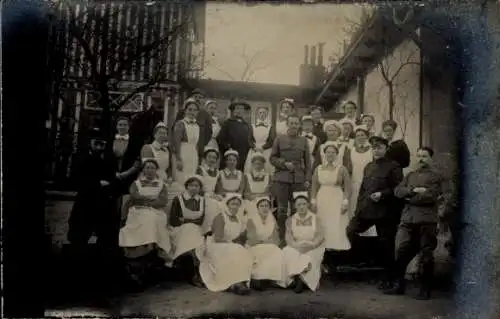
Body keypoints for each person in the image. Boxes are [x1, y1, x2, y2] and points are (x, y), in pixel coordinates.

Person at [384, 147, 447, 300]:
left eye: (424, 156)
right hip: (407, 220)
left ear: (431, 159)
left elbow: (431, 197)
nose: (420, 159)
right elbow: (398, 191)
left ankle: (424, 290)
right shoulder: (410, 175)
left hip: (427, 221)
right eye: (418, 156)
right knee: (401, 251)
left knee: (426, 255)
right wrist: (413, 190)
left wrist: (410, 197)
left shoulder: (437, 177)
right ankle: (399, 286)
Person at [345, 135, 403, 289]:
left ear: (386, 149)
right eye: (374, 148)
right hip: (368, 209)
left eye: (379, 148)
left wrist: (382, 194)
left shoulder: (394, 166)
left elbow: (398, 189)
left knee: (387, 245)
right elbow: (363, 190)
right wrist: (358, 210)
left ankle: (389, 278)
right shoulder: (369, 166)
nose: (376, 150)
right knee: (351, 230)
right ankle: (367, 257)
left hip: (386, 212)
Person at [118, 158, 172, 288]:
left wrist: (148, 201)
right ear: (143, 170)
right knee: (142, 220)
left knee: (153, 219)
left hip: (155, 211)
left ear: (156, 170)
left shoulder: (161, 184)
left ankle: (154, 248)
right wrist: (149, 199)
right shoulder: (136, 183)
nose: (150, 170)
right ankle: (139, 252)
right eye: (147, 167)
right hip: (137, 211)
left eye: (152, 168)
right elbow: (134, 196)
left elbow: (162, 201)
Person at [68, 128, 118, 252]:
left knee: (105, 237)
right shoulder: (81, 159)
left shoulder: (109, 161)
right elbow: (76, 180)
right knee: (79, 236)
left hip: (103, 201)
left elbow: (112, 180)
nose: (99, 146)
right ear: (90, 143)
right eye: (96, 143)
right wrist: (97, 183)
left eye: (102, 144)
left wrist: (109, 188)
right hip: (85, 200)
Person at [197, 193, 253, 295]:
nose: (235, 207)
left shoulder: (239, 220)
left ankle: (240, 281)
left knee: (244, 252)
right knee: (235, 251)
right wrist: (233, 244)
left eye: (237, 204)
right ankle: (233, 282)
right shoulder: (220, 217)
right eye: (232, 204)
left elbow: (239, 238)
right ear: (226, 205)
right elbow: (218, 238)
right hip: (216, 245)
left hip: (230, 245)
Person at [269, 114, 312, 246]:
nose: (294, 126)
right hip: (282, 178)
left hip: (298, 180)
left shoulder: (304, 141)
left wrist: (307, 179)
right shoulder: (279, 139)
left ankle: (295, 237)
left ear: (299, 125)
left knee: (297, 209)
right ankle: (282, 238)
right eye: (291, 123)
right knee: (281, 210)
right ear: (287, 124)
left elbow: (308, 162)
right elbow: (272, 158)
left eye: (296, 123)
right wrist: (283, 163)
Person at [310, 142, 351, 272]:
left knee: (336, 227)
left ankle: (335, 262)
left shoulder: (342, 169)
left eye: (333, 152)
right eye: (328, 152)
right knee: (323, 226)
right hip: (322, 199)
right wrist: (313, 201)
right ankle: (322, 261)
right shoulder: (319, 168)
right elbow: (314, 186)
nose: (330, 154)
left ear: (337, 154)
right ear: (324, 154)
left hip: (336, 199)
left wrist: (345, 202)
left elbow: (348, 187)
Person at [282, 192, 325, 293]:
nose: (301, 207)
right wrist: (295, 246)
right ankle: (296, 277)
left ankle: (302, 280)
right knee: (287, 252)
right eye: (299, 205)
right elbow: (288, 236)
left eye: (304, 204)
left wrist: (313, 245)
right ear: (295, 206)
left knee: (309, 256)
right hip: (297, 245)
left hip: (313, 245)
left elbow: (320, 236)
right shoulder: (290, 220)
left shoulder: (316, 219)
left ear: (308, 205)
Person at [168, 175, 207, 287]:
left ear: (200, 188)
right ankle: (193, 275)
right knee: (190, 234)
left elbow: (200, 220)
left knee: (195, 239)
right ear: (186, 186)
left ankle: (197, 273)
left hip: (195, 229)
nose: (194, 188)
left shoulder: (202, 200)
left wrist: (185, 219)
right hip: (179, 230)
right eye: (191, 185)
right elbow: (174, 220)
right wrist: (189, 221)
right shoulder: (178, 199)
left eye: (196, 186)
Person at [246, 196, 285, 290]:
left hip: (269, 245)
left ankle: (271, 278)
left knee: (276, 251)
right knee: (261, 252)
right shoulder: (251, 220)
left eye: (266, 206)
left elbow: (276, 239)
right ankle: (258, 278)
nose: (264, 208)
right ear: (257, 208)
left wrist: (268, 242)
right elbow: (252, 238)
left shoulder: (272, 220)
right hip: (254, 246)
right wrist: (264, 242)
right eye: (262, 206)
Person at [349, 125, 377, 237]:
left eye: (363, 135)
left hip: (368, 185)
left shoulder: (372, 151)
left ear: (367, 136)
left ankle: (369, 236)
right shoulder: (350, 151)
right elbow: (348, 169)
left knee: (367, 208)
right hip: (354, 184)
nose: (360, 137)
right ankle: (353, 234)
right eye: (358, 135)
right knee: (354, 208)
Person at [174, 88, 213, 161]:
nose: (197, 99)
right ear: (191, 98)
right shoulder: (182, 112)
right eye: (195, 97)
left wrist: (201, 144)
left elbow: (209, 132)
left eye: (200, 97)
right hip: (183, 148)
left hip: (198, 149)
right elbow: (175, 131)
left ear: (203, 100)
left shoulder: (206, 114)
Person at [217, 99, 255, 171]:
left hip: (243, 155)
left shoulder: (247, 125)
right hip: (231, 155)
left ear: (244, 111)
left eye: (241, 108)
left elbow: (250, 140)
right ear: (234, 110)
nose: (239, 110)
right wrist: (228, 147)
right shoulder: (228, 123)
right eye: (237, 108)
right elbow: (220, 139)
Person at [172, 98, 202, 184]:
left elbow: (196, 144)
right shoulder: (180, 124)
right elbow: (176, 142)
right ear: (185, 111)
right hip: (182, 153)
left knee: (192, 178)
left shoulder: (197, 126)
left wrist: (197, 159)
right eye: (190, 109)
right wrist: (178, 159)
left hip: (193, 155)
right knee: (181, 178)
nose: (192, 112)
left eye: (195, 110)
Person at [196, 146, 223, 234]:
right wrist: (208, 195)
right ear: (205, 158)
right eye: (210, 157)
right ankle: (207, 230)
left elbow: (218, 188)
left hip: (213, 196)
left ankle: (218, 230)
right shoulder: (200, 169)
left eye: (214, 157)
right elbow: (197, 186)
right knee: (212, 204)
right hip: (201, 195)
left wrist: (218, 195)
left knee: (222, 204)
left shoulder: (218, 172)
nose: (212, 159)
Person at [244, 106, 274, 173]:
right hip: (254, 149)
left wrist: (263, 147)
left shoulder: (270, 126)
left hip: (266, 150)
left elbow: (271, 140)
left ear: (267, 114)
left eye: (264, 113)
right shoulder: (253, 126)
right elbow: (249, 139)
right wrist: (254, 147)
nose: (262, 114)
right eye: (260, 112)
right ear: (257, 114)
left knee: (266, 167)